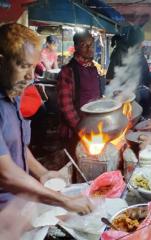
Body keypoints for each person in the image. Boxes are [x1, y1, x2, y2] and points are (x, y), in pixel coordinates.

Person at [0, 23, 93, 214]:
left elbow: (17, 146)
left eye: (33, 67)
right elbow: (6, 174)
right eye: (24, 66)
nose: (30, 76)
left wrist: (43, 173)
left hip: (19, 206)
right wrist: (64, 201)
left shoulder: (13, 95)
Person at [57, 30, 104, 145]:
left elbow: (97, 97)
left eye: (91, 45)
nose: (89, 48)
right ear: (76, 47)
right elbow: (65, 105)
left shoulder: (94, 68)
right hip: (74, 132)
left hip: (93, 127)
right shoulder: (68, 71)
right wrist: (80, 128)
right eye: (84, 45)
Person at [107, 26, 151, 118]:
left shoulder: (139, 54)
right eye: (141, 42)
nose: (142, 45)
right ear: (135, 42)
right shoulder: (119, 53)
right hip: (121, 102)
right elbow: (109, 79)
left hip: (136, 100)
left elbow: (147, 77)